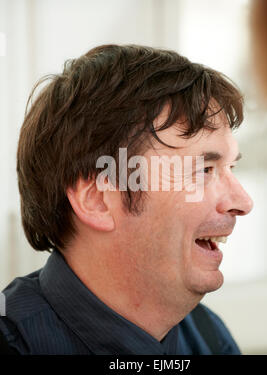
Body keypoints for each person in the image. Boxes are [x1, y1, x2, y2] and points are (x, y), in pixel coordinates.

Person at [0, 44, 253, 355]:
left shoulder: (207, 336)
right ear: (97, 200)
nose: (243, 201)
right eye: (203, 169)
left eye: (231, 168)